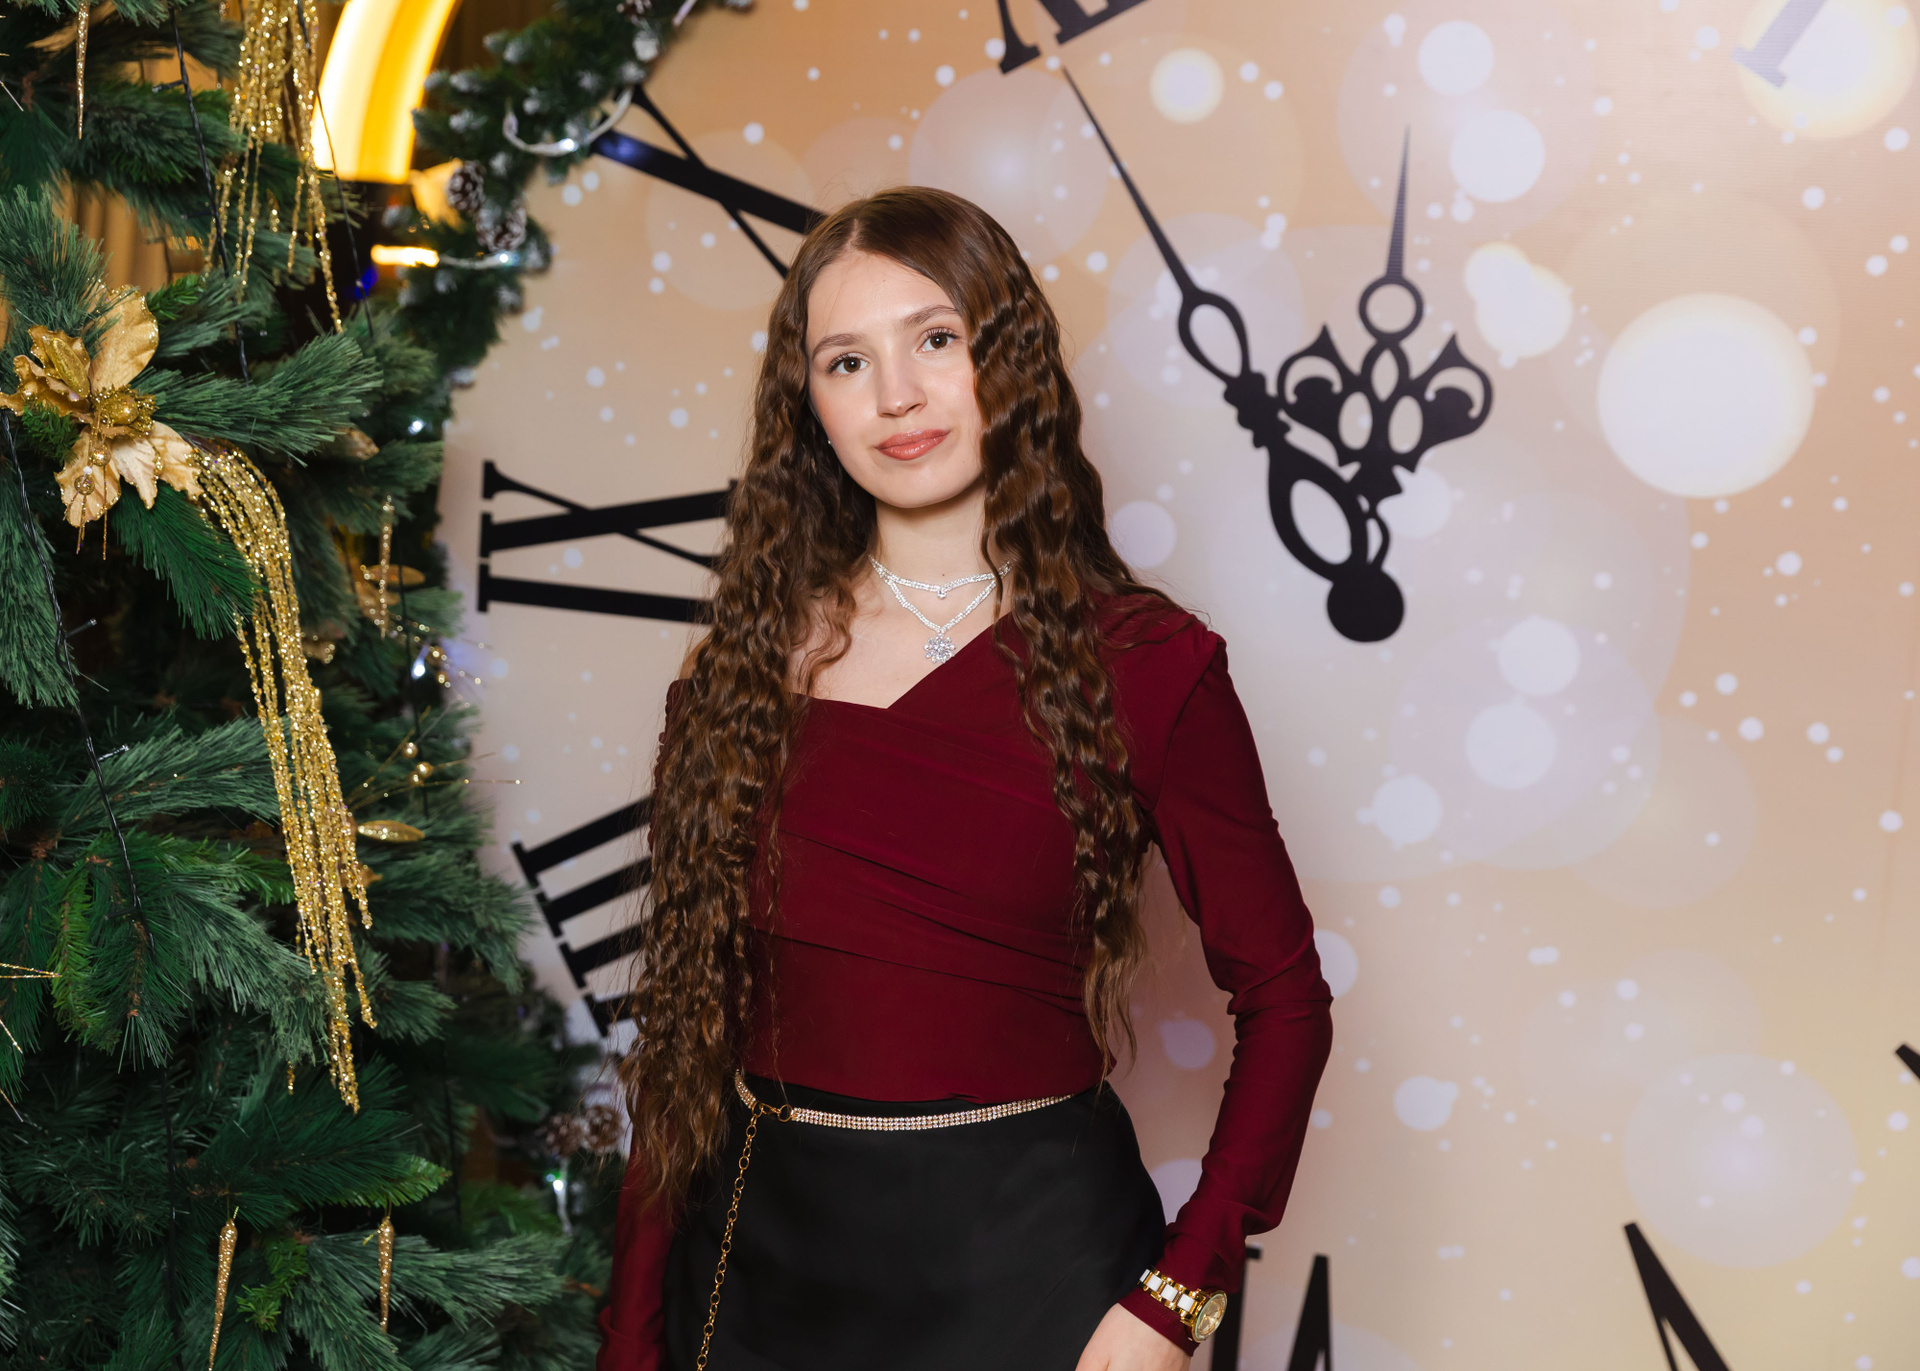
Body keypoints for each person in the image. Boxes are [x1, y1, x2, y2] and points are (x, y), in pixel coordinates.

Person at [597, 186, 1332, 1371]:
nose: (896, 395)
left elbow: (1288, 1000)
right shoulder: (734, 676)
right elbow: (681, 1052)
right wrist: (631, 1341)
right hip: (756, 1279)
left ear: (1011, 356)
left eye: (935, 339)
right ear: (809, 407)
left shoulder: (1151, 666)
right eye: (846, 361)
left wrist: (1177, 1301)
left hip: (1035, 1279)